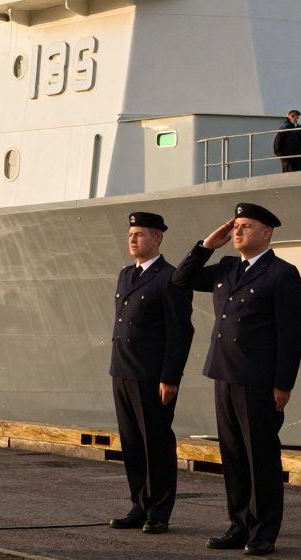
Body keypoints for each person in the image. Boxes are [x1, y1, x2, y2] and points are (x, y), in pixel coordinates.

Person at [173, 204, 301, 556]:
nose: (238, 231)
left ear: (266, 233)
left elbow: (292, 335)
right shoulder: (228, 267)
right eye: (236, 226)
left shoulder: (282, 274)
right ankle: (239, 525)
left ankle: (264, 530)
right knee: (233, 455)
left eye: (246, 226)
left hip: (259, 380)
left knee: (259, 457)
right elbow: (181, 279)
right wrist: (207, 245)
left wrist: (283, 384)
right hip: (225, 374)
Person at [109, 212, 195, 535]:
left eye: (140, 234)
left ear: (157, 238)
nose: (133, 239)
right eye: (131, 234)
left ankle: (159, 511)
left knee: (155, 443)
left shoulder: (170, 278)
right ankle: (139, 505)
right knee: (132, 443)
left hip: (151, 376)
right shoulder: (125, 275)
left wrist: (170, 377)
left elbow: (180, 332)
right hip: (122, 370)